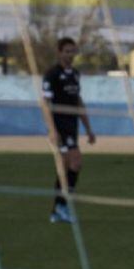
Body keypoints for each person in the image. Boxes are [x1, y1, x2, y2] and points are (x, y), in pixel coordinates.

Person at [42, 37, 95, 223]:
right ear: (59, 53)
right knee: (76, 162)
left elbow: (78, 102)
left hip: (72, 127)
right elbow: (46, 104)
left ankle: (57, 210)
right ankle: (62, 207)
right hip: (59, 127)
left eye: (73, 51)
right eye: (67, 51)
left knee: (66, 168)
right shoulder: (52, 75)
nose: (71, 55)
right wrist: (52, 130)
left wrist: (88, 128)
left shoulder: (75, 75)